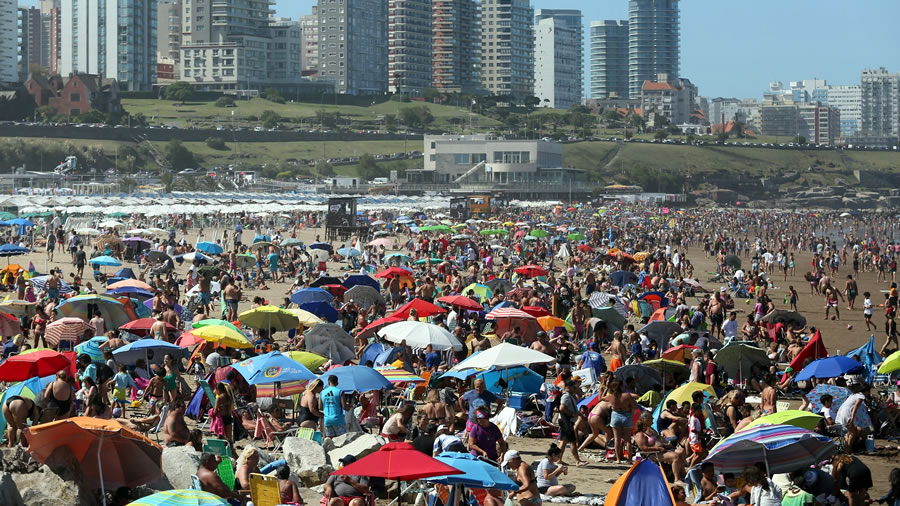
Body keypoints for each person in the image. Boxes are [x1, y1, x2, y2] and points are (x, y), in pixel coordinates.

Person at [604, 378, 637, 464]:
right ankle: (629, 459)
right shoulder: (627, 396)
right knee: (628, 439)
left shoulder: (611, 396)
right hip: (626, 415)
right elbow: (635, 406)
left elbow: (601, 398)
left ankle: (618, 459)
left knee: (617, 439)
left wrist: (605, 388)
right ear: (621, 386)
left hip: (615, 415)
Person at [556, 380, 586, 467]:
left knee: (563, 441)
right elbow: (562, 408)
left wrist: (578, 415)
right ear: (568, 387)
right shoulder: (566, 396)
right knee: (572, 441)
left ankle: (558, 460)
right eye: (574, 387)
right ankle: (578, 461)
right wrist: (572, 414)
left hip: (566, 421)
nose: (576, 389)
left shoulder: (569, 396)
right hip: (566, 421)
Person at [213, 381, 235, 451]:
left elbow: (215, 411)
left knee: (220, 437)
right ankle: (231, 452)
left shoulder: (219, 398)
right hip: (228, 418)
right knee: (229, 439)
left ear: (218, 389)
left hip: (221, 419)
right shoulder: (229, 397)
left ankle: (221, 453)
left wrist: (211, 412)